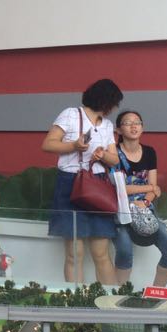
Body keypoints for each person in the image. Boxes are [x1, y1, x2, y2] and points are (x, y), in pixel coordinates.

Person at [41, 78, 124, 285]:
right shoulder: (71, 114)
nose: (113, 108)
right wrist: (74, 146)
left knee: (101, 252)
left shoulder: (106, 125)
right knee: (74, 253)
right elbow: (48, 144)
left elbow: (115, 160)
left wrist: (102, 155)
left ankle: (110, 300)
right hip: (71, 182)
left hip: (98, 185)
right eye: (113, 103)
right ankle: (76, 300)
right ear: (106, 100)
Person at [111, 110, 167, 287]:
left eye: (137, 122)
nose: (134, 126)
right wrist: (149, 188)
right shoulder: (113, 154)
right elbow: (120, 188)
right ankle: (119, 293)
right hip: (121, 211)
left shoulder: (149, 152)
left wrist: (146, 201)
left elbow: (154, 187)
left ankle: (155, 292)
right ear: (118, 130)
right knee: (125, 252)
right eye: (128, 123)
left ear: (142, 127)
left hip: (145, 208)